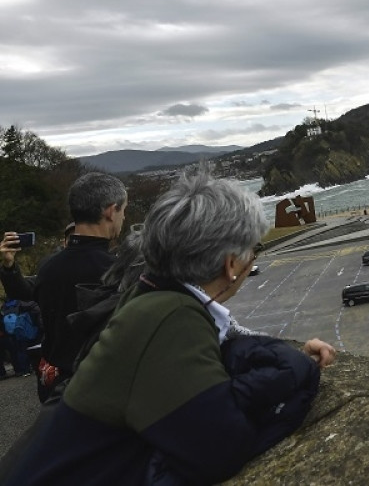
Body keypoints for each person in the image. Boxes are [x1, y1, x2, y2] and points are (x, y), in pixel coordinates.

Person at [0, 167, 335, 485]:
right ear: (232, 264)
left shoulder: (150, 294)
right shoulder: (171, 315)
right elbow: (221, 448)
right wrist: (297, 367)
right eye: (254, 249)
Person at [0, 172, 127, 401]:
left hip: (56, 384)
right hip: (101, 383)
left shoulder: (49, 266)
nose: (124, 217)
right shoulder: (117, 269)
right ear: (110, 211)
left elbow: (24, 293)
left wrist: (9, 268)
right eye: (123, 210)